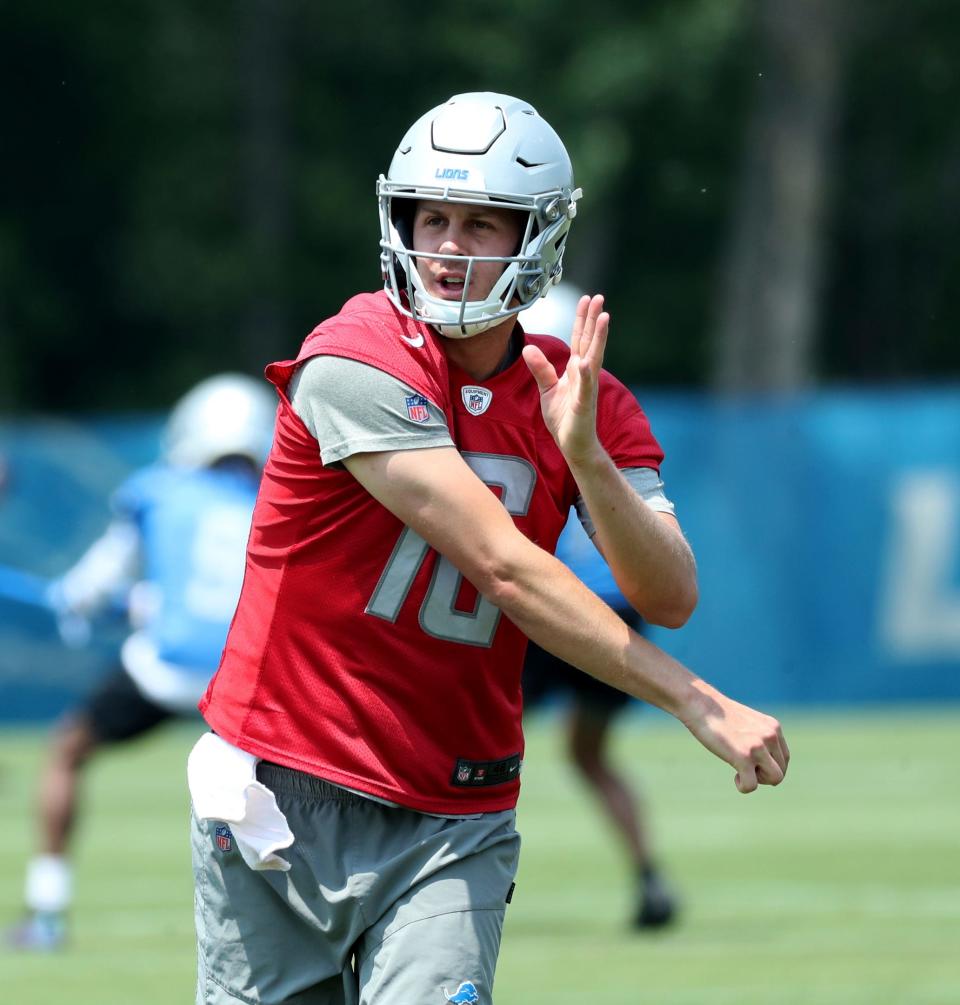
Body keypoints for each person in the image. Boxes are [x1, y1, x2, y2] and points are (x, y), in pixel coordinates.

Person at [188, 92, 789, 1005]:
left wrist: (585, 458)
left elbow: (668, 593)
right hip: (285, 786)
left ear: (535, 238)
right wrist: (697, 701)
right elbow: (503, 566)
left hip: (454, 806)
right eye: (433, 216)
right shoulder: (353, 357)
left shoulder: (580, 394)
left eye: (480, 223)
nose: (449, 246)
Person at [7, 373, 275, 952]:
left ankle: (47, 914)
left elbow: (87, 590)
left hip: (166, 667)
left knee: (67, 751)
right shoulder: (280, 496)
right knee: (292, 791)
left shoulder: (156, 490)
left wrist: (100, 604)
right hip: (245, 674)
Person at [520, 284, 678, 929]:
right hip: (616, 608)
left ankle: (441, 880)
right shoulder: (605, 413)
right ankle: (650, 878)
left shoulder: (510, 418)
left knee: (468, 748)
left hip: (548, 609)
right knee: (589, 756)